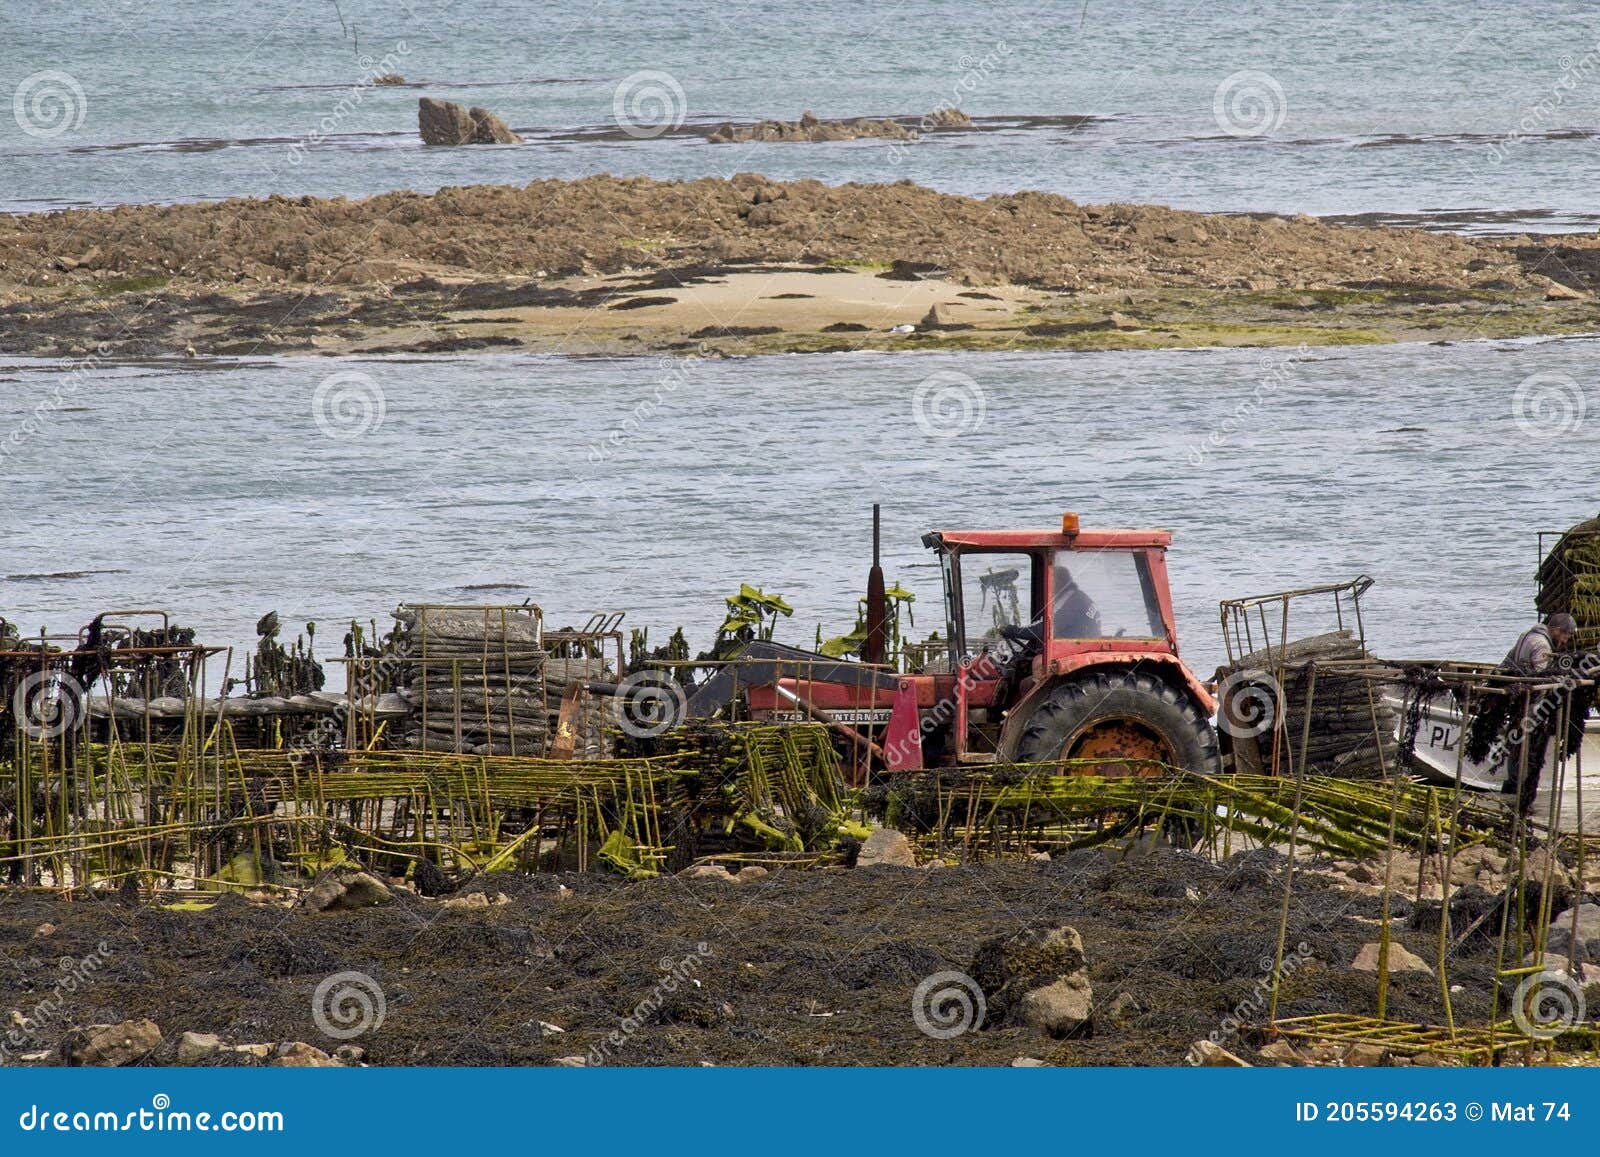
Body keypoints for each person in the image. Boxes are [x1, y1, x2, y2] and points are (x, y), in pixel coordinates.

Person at [1501, 613, 1576, 675]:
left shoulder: (1525, 634)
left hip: (1517, 676)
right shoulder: (1543, 645)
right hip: (1526, 685)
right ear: (1556, 630)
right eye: (1565, 637)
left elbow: (1509, 659)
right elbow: (1539, 675)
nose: (1565, 642)